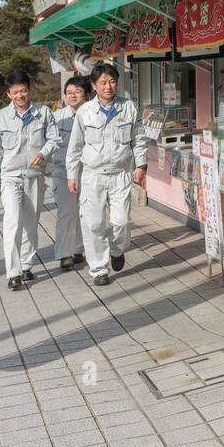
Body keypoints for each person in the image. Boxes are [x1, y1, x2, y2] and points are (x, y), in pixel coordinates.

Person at [66, 63, 148, 286]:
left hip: (120, 174)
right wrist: (72, 175)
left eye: (112, 81)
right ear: (93, 86)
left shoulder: (128, 107)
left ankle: (117, 249)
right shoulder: (85, 112)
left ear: (117, 83)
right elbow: (75, 147)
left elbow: (138, 139)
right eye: (103, 82)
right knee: (94, 224)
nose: (108, 86)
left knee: (121, 222)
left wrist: (140, 165)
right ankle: (99, 269)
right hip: (92, 175)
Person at [0, 70, 60, 290]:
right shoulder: (0, 118)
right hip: (10, 176)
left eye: (23, 91)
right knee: (12, 221)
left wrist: (44, 152)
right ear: (8, 94)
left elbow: (55, 139)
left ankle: (26, 264)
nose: (20, 95)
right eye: (15, 92)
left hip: (34, 176)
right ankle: (13, 272)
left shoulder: (44, 113)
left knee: (30, 222)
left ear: (29, 90)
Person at [49, 75, 91, 271]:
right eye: (69, 92)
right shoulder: (57, 117)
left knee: (85, 213)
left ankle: (78, 249)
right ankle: (65, 253)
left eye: (78, 91)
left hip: (88, 172)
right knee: (66, 212)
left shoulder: (93, 114)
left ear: (87, 93)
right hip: (63, 172)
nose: (73, 95)